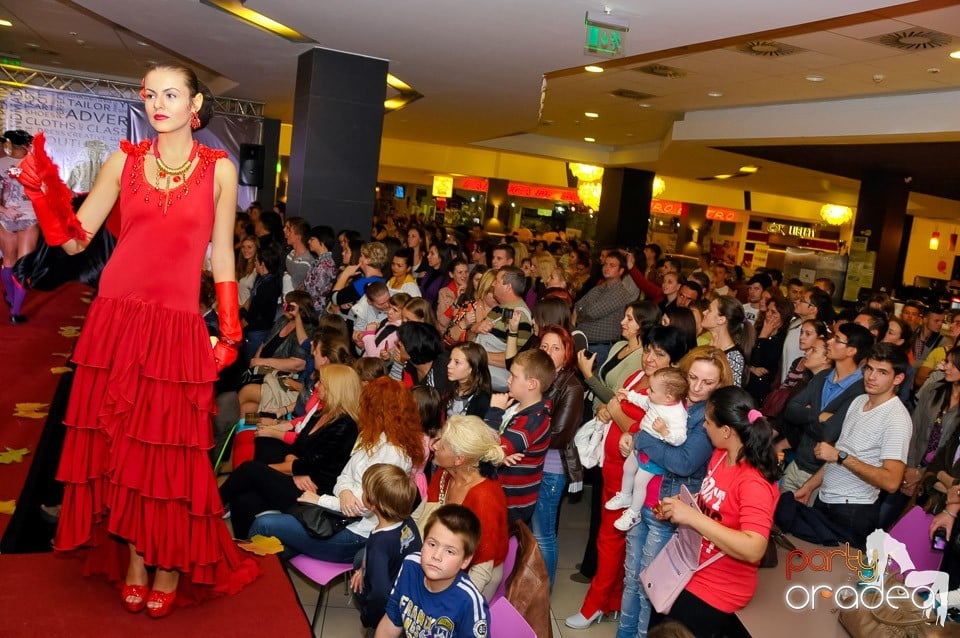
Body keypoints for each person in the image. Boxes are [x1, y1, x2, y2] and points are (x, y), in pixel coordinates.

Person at [16, 63, 257, 616]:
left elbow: (221, 253)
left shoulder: (219, 170)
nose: (158, 103)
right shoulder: (124, 159)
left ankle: (168, 563)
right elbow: (77, 243)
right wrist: (46, 192)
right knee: (119, 445)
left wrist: (229, 326)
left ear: (196, 105)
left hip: (175, 324)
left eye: (171, 94)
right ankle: (135, 562)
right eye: (150, 94)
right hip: (116, 318)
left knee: (171, 448)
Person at [565, 326, 686, 629]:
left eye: (659, 353)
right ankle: (613, 600)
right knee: (616, 542)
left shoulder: (665, 393)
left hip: (631, 476)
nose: (649, 358)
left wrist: (616, 412)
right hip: (613, 468)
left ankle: (595, 604)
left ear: (674, 361)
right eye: (648, 349)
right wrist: (608, 411)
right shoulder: (637, 379)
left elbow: (646, 433)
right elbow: (618, 408)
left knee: (610, 540)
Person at [616, 347, 733, 638]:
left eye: (708, 383)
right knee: (631, 578)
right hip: (642, 500)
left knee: (651, 589)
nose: (696, 387)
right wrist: (633, 437)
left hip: (666, 509)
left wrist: (640, 438)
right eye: (693, 377)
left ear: (720, 385)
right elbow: (647, 422)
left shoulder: (709, 419)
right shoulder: (671, 399)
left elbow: (683, 463)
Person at [250, 377, 426, 561]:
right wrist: (344, 494)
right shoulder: (374, 437)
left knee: (264, 524)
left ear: (377, 411)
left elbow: (363, 506)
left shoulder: (394, 453)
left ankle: (248, 574)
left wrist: (320, 500)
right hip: (340, 518)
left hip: (356, 534)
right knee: (274, 541)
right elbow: (343, 477)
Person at [656, 386, 780, 637]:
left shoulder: (753, 482)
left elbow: (754, 547)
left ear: (726, 431)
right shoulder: (721, 456)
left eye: (708, 422)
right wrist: (682, 504)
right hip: (692, 568)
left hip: (719, 587)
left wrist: (693, 518)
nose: (703, 426)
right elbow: (715, 503)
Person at [775, 343, 912, 549]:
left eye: (882, 372)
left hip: (854, 511)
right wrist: (810, 486)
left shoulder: (896, 419)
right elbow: (837, 453)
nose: (871, 376)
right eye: (869, 369)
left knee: (836, 576)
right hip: (825, 499)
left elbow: (892, 481)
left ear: (898, 379)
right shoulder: (859, 401)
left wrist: (840, 456)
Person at [218, 364, 362, 538]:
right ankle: (246, 547)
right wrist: (293, 467)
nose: (316, 386)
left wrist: (270, 469)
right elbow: (297, 445)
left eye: (322, 383)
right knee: (243, 499)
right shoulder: (322, 412)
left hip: (313, 491)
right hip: (300, 476)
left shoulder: (345, 426)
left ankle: (209, 507)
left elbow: (311, 465)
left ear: (336, 389)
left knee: (250, 469)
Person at [778, 323, 872, 494]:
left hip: (821, 476)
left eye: (837, 340)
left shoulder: (860, 391)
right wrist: (819, 416)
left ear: (851, 351)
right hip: (797, 464)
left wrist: (806, 416)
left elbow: (830, 433)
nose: (829, 342)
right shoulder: (822, 376)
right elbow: (790, 411)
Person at [422, 415, 509, 598]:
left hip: (475, 575)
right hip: (444, 557)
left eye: (442, 445)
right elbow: (419, 517)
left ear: (459, 459)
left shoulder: (484, 497)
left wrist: (456, 602)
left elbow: (482, 566)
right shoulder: (445, 474)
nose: (434, 445)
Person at [376, 505, 490, 638]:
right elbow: (391, 621)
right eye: (432, 544)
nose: (436, 556)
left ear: (465, 560)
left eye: (449, 551)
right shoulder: (410, 565)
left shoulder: (469, 601)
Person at [530, 324, 585, 589]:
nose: (549, 352)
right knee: (531, 532)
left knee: (543, 534)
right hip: (530, 464)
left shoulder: (571, 385)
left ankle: (544, 590)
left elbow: (559, 435)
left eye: (556, 348)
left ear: (567, 353)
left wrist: (524, 436)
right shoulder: (535, 377)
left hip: (551, 469)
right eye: (544, 347)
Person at [607, 368, 688, 531]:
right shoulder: (655, 400)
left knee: (639, 482)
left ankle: (634, 513)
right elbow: (643, 401)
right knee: (628, 467)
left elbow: (680, 438)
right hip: (641, 446)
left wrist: (665, 432)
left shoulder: (677, 414)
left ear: (668, 397)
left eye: (652, 390)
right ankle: (625, 495)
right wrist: (629, 395)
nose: (648, 391)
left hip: (654, 456)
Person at [484, 349, 554, 524]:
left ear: (531, 384)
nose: (508, 379)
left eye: (514, 376)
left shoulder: (534, 421)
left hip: (511, 504)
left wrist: (494, 412)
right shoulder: (516, 406)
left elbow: (489, 448)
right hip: (499, 496)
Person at [351, 464, 422, 633]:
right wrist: (364, 568)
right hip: (407, 590)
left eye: (365, 491)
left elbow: (380, 594)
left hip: (386, 615)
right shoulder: (407, 521)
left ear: (373, 504)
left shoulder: (379, 545)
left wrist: (368, 617)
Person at [573, 251, 639, 365]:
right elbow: (578, 304)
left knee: (591, 380)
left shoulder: (620, 293)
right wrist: (582, 310)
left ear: (621, 271)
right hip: (587, 344)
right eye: (605, 264)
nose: (606, 268)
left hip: (600, 347)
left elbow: (592, 312)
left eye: (612, 265)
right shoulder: (600, 287)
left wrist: (580, 315)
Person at [0, 130, 38, 324]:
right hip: (29, 217)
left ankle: (10, 297)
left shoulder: (1, 164)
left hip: (6, 218)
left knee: (8, 261)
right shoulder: (36, 165)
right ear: (26, 146)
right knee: (23, 266)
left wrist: (5, 211)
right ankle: (15, 311)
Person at [701, 295, 754, 387]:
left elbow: (731, 397)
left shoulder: (734, 357)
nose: (704, 312)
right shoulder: (708, 346)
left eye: (709, 310)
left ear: (721, 320)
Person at [443, 342, 492, 419]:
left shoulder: (481, 401)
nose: (449, 365)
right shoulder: (450, 386)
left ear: (472, 368)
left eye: (457, 362)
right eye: (450, 360)